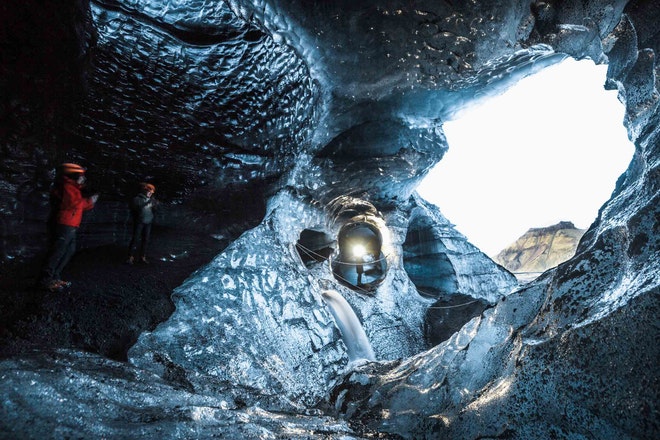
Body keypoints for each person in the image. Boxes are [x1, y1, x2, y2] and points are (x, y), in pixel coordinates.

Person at [39, 163, 98, 292]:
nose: (83, 179)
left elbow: (79, 206)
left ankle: (55, 276)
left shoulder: (74, 188)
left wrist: (90, 202)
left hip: (71, 224)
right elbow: (73, 204)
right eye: (81, 176)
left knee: (69, 250)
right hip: (64, 224)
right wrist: (89, 201)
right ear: (75, 176)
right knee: (58, 252)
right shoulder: (67, 187)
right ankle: (46, 280)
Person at [127, 182, 157, 265]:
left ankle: (142, 257)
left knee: (145, 240)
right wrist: (147, 203)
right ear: (144, 191)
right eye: (149, 191)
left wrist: (154, 206)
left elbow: (154, 210)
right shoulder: (137, 199)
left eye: (151, 192)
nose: (150, 193)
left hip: (148, 222)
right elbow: (135, 209)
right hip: (139, 222)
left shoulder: (152, 200)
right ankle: (130, 257)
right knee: (135, 239)